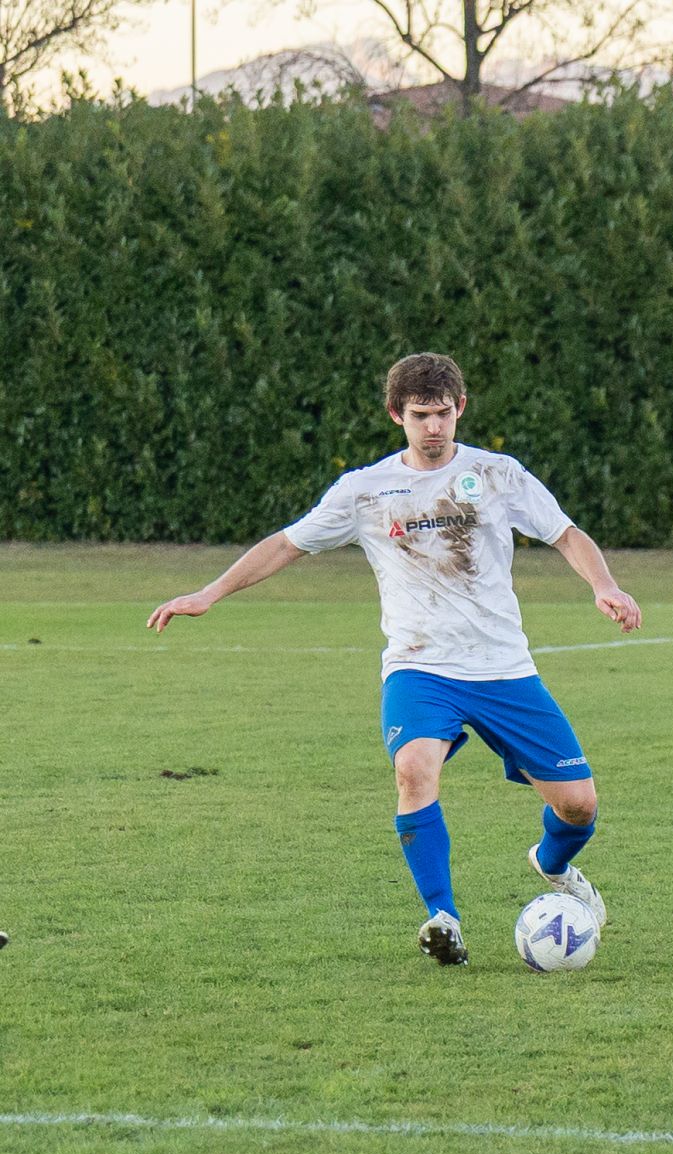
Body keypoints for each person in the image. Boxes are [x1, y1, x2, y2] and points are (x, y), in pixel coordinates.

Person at [148, 353, 641, 966]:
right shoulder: (366, 490)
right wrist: (209, 593)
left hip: (502, 668)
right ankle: (443, 919)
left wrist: (604, 585)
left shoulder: (497, 474)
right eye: (419, 416)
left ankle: (553, 863)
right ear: (395, 415)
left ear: (461, 409)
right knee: (413, 771)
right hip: (419, 667)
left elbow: (565, 533)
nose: (433, 427)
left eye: (443, 414)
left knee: (578, 806)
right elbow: (287, 543)